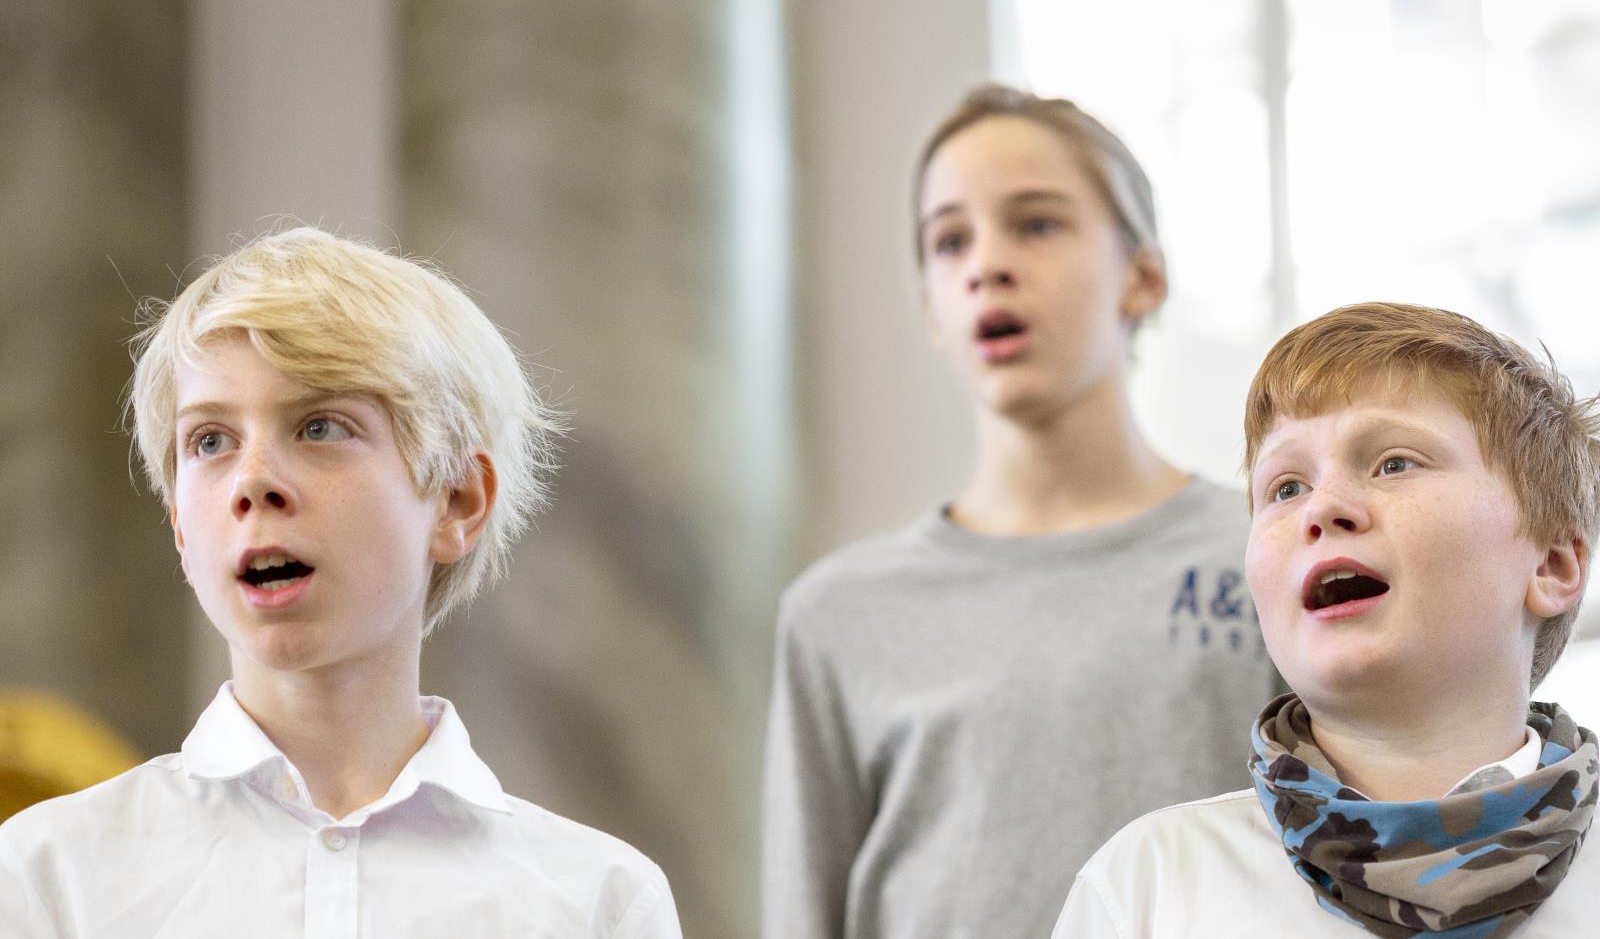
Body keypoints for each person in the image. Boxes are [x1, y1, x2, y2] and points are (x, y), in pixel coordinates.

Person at [0, 227, 684, 937]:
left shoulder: (597, 902)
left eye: (320, 426)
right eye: (210, 440)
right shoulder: (48, 877)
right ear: (180, 524)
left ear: (456, 500)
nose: (253, 479)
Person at [761, 84, 1283, 939]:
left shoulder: (1267, 556)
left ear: (1143, 274)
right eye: (950, 239)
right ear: (933, 307)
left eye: (1036, 223)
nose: (986, 264)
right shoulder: (836, 614)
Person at [1052, 302, 1600, 938]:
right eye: (1286, 487)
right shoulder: (1147, 887)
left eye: (1394, 463)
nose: (1322, 508)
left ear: (1550, 563)